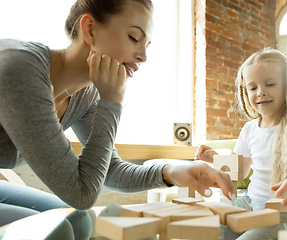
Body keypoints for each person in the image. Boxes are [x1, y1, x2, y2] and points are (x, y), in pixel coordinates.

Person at [0, 0, 235, 238]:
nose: (143, 56)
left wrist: (171, 171)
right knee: (62, 229)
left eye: (147, 44)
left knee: (79, 220)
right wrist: (112, 100)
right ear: (90, 29)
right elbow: (82, 194)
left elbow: (108, 170)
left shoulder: (86, 95)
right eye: (134, 38)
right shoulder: (21, 69)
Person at [195, 47, 287, 212]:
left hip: (286, 211)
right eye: (253, 88)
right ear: (246, 93)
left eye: (270, 84)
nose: (261, 92)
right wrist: (215, 159)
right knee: (210, 221)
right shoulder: (249, 129)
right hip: (250, 204)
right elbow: (240, 173)